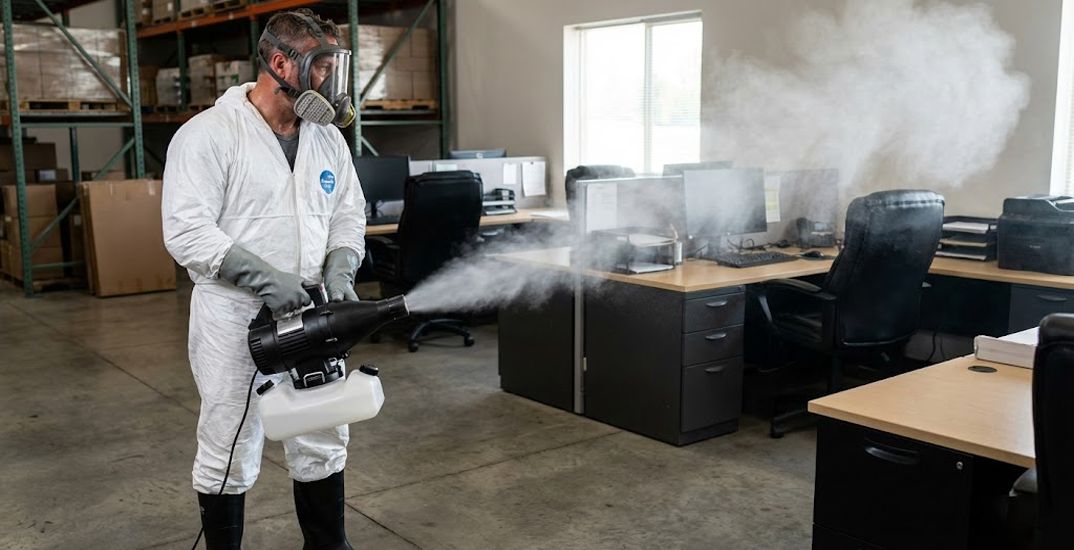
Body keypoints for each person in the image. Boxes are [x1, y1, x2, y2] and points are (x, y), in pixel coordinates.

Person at [162, 9, 364, 548]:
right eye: (321, 68)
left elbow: (348, 213)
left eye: (334, 68)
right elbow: (186, 231)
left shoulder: (327, 140)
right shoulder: (207, 135)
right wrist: (266, 279)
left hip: (312, 311)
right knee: (231, 439)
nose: (330, 82)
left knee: (323, 432)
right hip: (235, 318)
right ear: (281, 63)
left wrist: (342, 265)